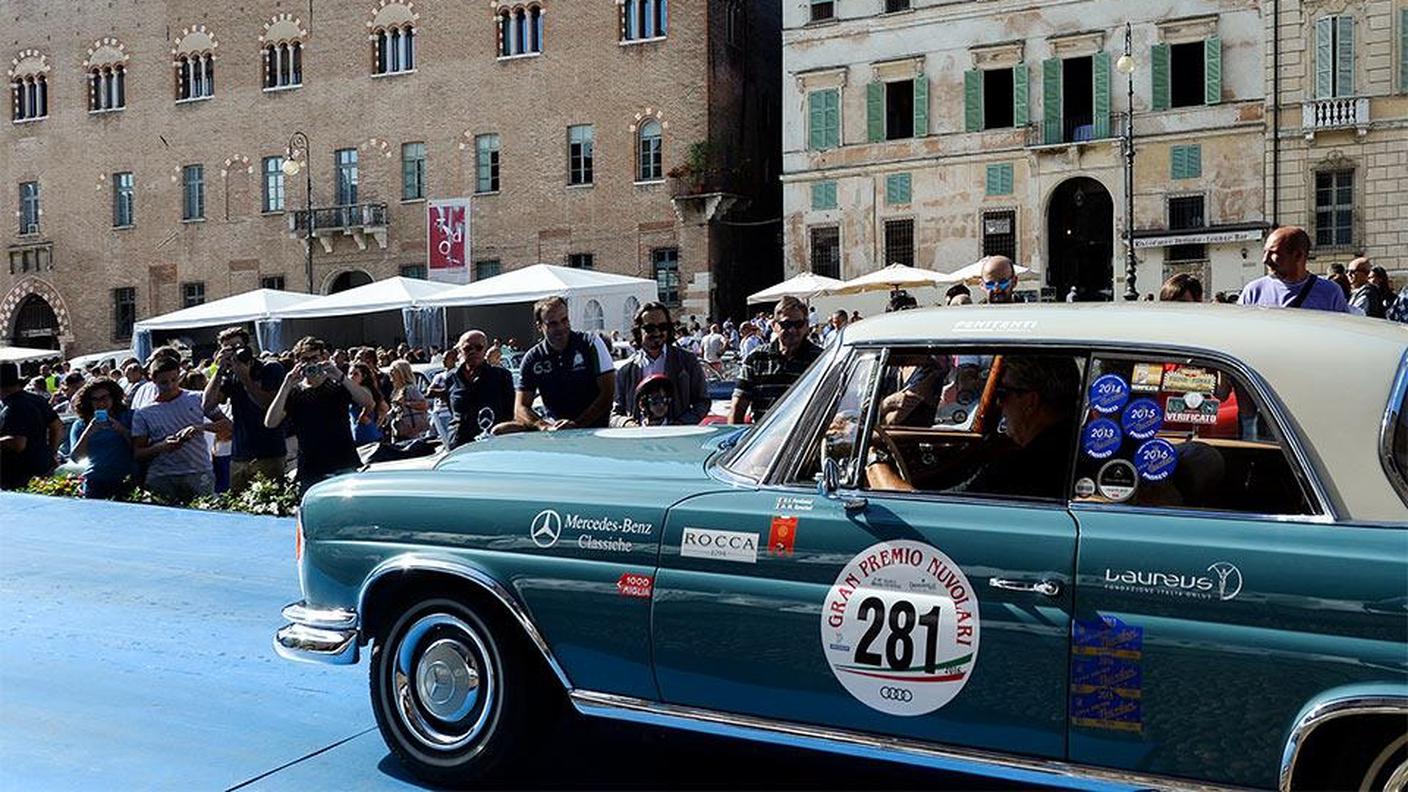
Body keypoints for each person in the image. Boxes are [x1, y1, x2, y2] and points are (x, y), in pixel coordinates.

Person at [868, 355, 1081, 500]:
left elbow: (921, 511)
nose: (998, 404)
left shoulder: (1028, 465)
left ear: (1030, 402)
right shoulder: (1070, 446)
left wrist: (874, 459)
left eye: (1002, 394)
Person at [264, 336, 374, 495]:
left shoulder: (337, 386)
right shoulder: (295, 393)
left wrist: (339, 375)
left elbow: (368, 402)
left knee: (350, 513)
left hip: (343, 462)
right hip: (310, 468)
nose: (310, 363)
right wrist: (286, 385)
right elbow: (270, 422)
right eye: (305, 360)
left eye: (314, 358)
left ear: (323, 358)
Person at [503, 296, 615, 432]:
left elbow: (608, 395)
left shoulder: (591, 344)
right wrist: (542, 425)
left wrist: (576, 425)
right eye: (553, 324)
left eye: (564, 320)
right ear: (540, 326)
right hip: (556, 434)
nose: (561, 327)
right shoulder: (533, 358)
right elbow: (520, 407)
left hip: (594, 432)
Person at [203, 327, 287, 493]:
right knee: (238, 507)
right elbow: (208, 405)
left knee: (268, 503)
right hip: (240, 454)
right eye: (228, 349)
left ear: (248, 347)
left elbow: (266, 404)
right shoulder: (230, 374)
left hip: (269, 453)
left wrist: (245, 378)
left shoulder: (270, 369)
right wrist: (219, 370)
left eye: (237, 346)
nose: (234, 352)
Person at [131, 357, 225, 503]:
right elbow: (138, 452)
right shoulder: (143, 412)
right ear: (153, 380)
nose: (170, 386)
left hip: (197, 471)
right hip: (163, 476)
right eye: (164, 382)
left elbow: (227, 425)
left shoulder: (197, 398)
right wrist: (162, 446)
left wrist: (200, 428)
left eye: (174, 380)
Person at [611, 302, 709, 428]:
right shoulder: (626, 370)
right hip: (638, 441)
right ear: (638, 331)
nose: (657, 333)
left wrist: (680, 424)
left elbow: (703, 402)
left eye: (663, 327)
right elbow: (615, 414)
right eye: (650, 328)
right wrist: (628, 424)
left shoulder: (687, 361)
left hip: (678, 440)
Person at [730, 296, 824, 423]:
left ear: (807, 326)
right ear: (774, 325)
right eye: (785, 324)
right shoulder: (756, 358)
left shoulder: (821, 360)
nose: (792, 330)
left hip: (806, 438)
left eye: (798, 324)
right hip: (763, 437)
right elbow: (738, 407)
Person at [1238, 227, 1348, 312]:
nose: (1265, 260)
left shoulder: (1330, 292)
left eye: (1273, 253)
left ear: (1298, 255)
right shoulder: (1254, 291)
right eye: (1265, 252)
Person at [68, 378, 138, 499]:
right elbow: (76, 458)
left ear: (113, 397)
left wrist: (122, 430)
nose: (100, 403)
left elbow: (139, 448)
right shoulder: (81, 425)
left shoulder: (128, 417)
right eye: (95, 399)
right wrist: (89, 431)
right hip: (95, 482)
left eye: (104, 398)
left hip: (127, 479)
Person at [1, 361, 64, 490]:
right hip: (43, 468)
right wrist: (51, 453)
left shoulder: (13, 407)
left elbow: (18, 443)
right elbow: (58, 427)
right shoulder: (37, 400)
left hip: (19, 476)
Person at [446, 330, 515, 448]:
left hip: (491, 444)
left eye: (478, 347)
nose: (473, 352)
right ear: (460, 351)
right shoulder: (452, 377)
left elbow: (510, 411)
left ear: (485, 350)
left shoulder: (501, 376)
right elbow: (453, 410)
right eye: (468, 348)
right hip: (458, 444)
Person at [388, 360, 431, 441]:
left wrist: (406, 403)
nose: (391, 373)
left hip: (412, 432)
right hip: (399, 431)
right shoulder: (396, 391)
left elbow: (424, 405)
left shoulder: (410, 389)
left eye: (393, 370)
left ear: (401, 373)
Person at [425, 346, 459, 446]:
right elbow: (429, 392)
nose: (443, 361)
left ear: (453, 360)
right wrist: (443, 392)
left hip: (448, 413)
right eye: (443, 359)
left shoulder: (457, 374)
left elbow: (452, 393)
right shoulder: (439, 376)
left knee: (448, 440)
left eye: (446, 359)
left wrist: (444, 392)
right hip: (437, 412)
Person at [349, 363, 390, 444]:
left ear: (363, 377)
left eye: (356, 374)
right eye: (350, 373)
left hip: (366, 435)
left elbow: (372, 404)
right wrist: (377, 424)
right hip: (368, 433)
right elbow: (385, 408)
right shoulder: (365, 389)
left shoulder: (362, 390)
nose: (351, 377)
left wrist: (364, 415)